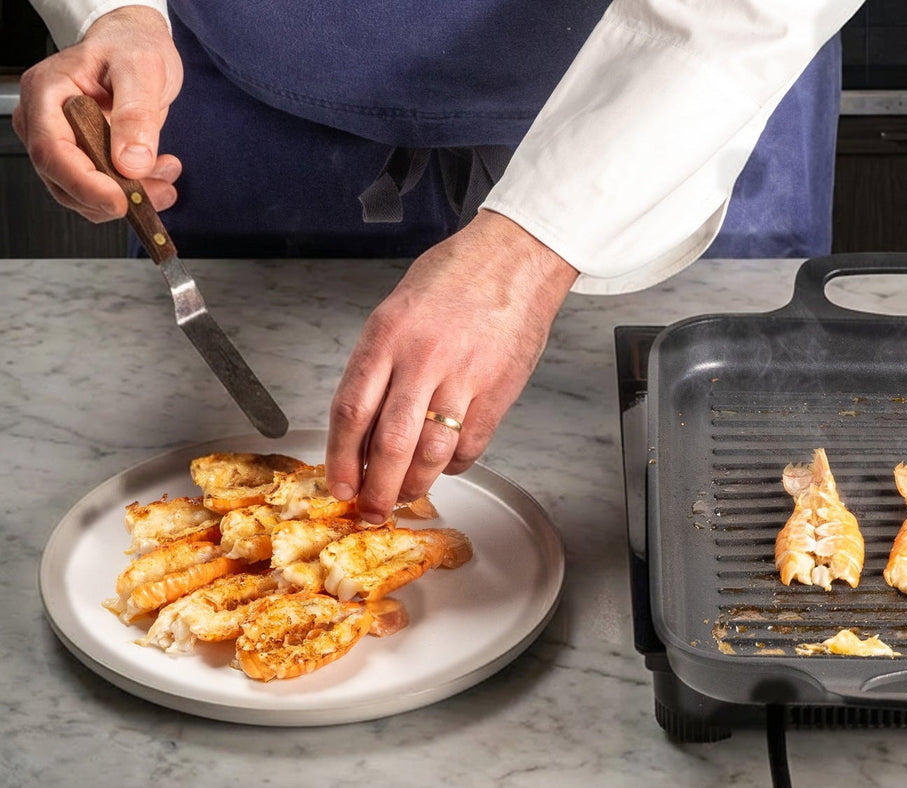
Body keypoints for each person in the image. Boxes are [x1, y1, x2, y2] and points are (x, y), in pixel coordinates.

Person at [16, 0, 861, 523]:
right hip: (238, 83)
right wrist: (114, 13)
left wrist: (529, 247)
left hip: (690, 82)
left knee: (718, 511)